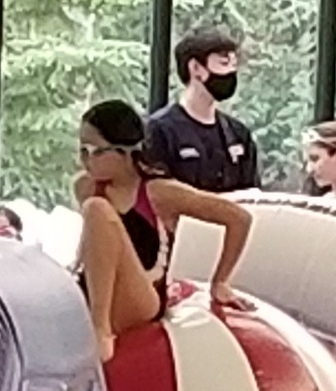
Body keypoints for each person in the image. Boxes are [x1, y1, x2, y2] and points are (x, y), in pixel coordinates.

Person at [73, 99, 253, 364]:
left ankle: (101, 330)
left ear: (125, 152)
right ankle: (95, 319)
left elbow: (238, 218)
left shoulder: (158, 193)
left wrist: (220, 282)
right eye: (81, 150)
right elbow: (94, 245)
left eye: (95, 151)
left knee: (97, 208)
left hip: (142, 298)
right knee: (95, 210)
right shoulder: (85, 186)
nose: (85, 161)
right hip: (93, 293)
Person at [145, 25, 260, 193]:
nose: (231, 72)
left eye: (234, 64)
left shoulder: (239, 134)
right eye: (224, 63)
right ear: (195, 68)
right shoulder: (160, 131)